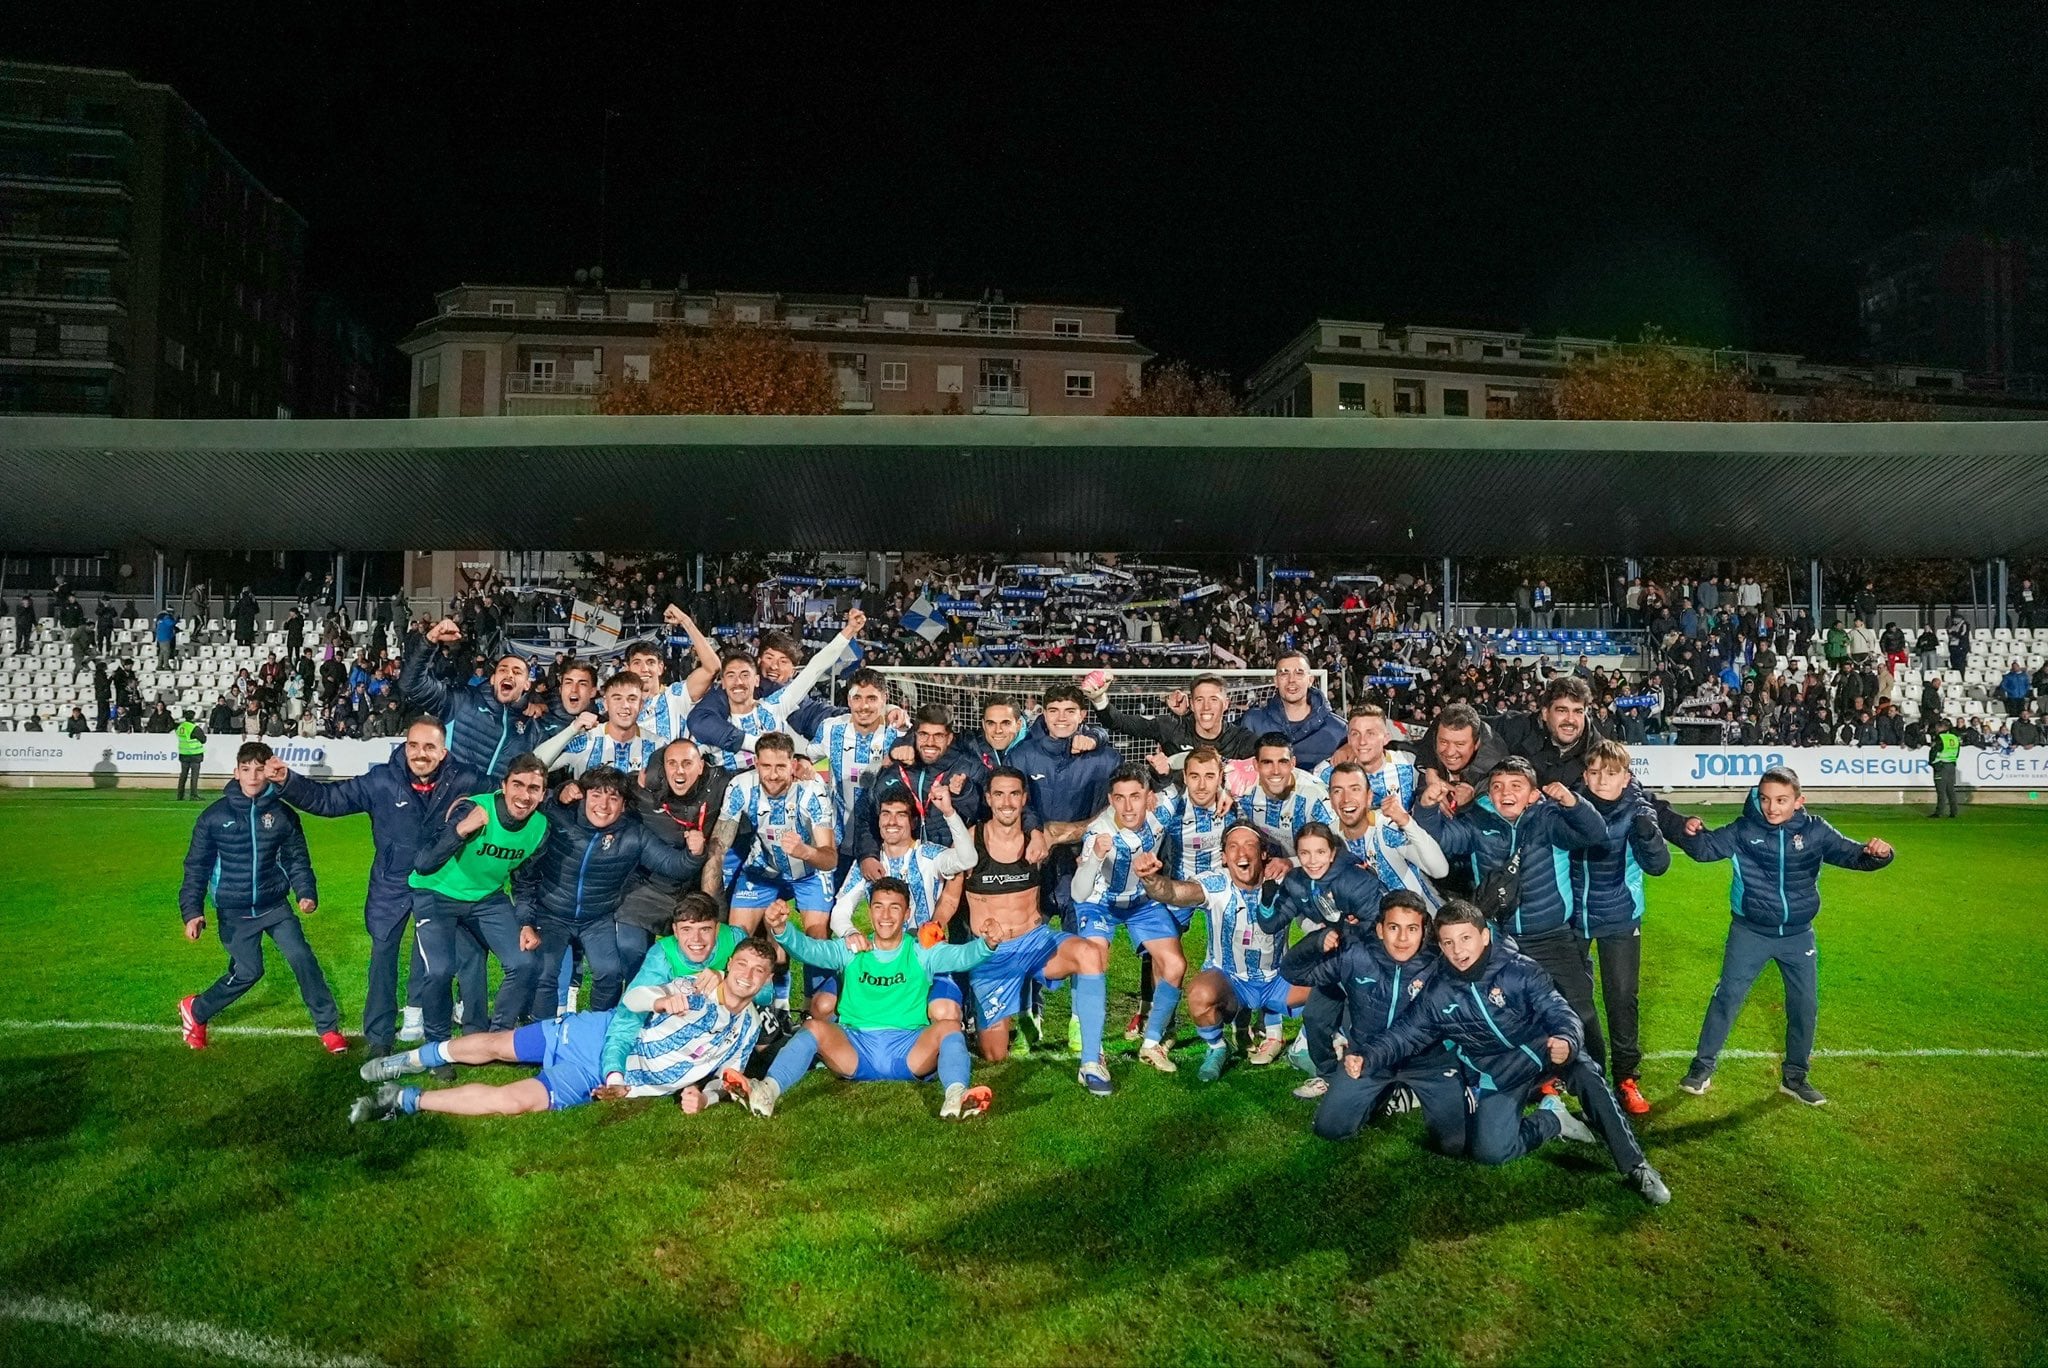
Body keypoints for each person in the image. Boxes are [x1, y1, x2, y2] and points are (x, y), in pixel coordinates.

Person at [1346, 901, 1670, 1205]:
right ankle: (1552, 1120)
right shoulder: (1437, 992)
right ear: (1440, 946)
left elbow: (1560, 1012)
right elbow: (1406, 1033)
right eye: (1448, 942)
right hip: (1503, 1072)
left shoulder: (1519, 970)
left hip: (1544, 1050)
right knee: (1491, 1151)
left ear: (1484, 936)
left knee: (1587, 1075)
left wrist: (1567, 1041)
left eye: (1465, 938)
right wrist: (1368, 1057)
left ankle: (1636, 1166)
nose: (1458, 950)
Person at [1659, 765, 1894, 1105]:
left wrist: (1880, 854)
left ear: (1799, 801)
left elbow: (1855, 856)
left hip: (1798, 937)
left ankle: (1795, 1078)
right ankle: (1701, 1069)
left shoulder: (1816, 831)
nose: (1772, 807)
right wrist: (1688, 832)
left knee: (1804, 1005)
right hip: (1749, 932)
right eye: (1766, 799)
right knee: (1727, 998)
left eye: (1782, 800)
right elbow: (1705, 850)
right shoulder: (1743, 830)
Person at [352, 934, 773, 1121]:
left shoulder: (748, 1026)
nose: (748, 975)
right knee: (501, 1044)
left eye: (759, 970)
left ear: (766, 980)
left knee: (514, 1103)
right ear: (729, 964)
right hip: (597, 1036)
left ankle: (404, 1101)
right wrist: (662, 1000)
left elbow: (727, 1078)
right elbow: (635, 1000)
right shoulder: (697, 985)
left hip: (603, 1079)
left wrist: (706, 1098)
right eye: (742, 964)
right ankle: (409, 1059)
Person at [269, 717, 485, 1060]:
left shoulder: (468, 779)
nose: (420, 754)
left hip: (442, 884)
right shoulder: (382, 780)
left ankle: (439, 1030)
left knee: (446, 958)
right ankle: (379, 1035)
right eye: (414, 745)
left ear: (443, 751)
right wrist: (288, 782)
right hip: (391, 884)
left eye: (429, 747)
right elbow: (329, 800)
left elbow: (510, 798)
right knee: (383, 959)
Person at [744, 881, 1002, 1121]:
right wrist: (781, 929)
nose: (886, 916)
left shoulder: (921, 951)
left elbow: (961, 957)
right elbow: (810, 950)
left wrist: (987, 944)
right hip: (855, 1048)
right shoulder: (852, 949)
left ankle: (956, 1096)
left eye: (894, 908)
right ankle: (767, 1091)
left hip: (910, 1048)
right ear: (869, 912)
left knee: (949, 1026)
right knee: (813, 1027)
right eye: (878, 907)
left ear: (907, 912)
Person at [1415, 755, 1610, 1068]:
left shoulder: (1549, 818)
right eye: (1497, 786)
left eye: (1516, 786)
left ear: (1533, 794)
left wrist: (1573, 803)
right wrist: (1426, 807)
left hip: (1551, 936)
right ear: (1489, 794)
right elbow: (1441, 840)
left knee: (1579, 1009)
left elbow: (1595, 834)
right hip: (1500, 939)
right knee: (1511, 1011)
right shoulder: (1477, 820)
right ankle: (1537, 1081)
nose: (1506, 792)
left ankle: (1594, 1076)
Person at [177, 742, 345, 1055]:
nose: (253, 777)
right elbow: (196, 867)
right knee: (248, 972)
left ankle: (329, 1028)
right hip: (234, 911)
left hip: (274, 906)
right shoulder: (213, 817)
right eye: (246, 769)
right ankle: (196, 1010)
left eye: (259, 769)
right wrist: (192, 911)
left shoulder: (283, 814)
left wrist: (306, 893)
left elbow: (296, 858)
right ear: (236, 772)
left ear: (269, 772)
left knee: (302, 958)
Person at [959, 766, 1114, 1095]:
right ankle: (975, 1021)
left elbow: (1082, 829)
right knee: (994, 1054)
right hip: (993, 956)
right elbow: (949, 895)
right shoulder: (969, 840)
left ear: (1024, 798)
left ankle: (1090, 1062)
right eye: (998, 794)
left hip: (1035, 943)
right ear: (988, 798)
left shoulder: (1041, 836)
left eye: (1014, 794)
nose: (1006, 802)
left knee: (1089, 953)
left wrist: (1115, 809)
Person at [515, 765, 706, 1022]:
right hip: (552, 914)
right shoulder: (558, 818)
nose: (603, 805)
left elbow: (673, 866)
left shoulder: (633, 835)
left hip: (598, 918)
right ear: (582, 796)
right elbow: (534, 799)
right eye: (596, 795)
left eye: (613, 798)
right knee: (546, 971)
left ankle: (597, 1026)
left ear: (624, 805)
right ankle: (539, 1030)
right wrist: (560, 791)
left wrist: (694, 854)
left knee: (610, 972)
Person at [1285, 891, 1465, 1146]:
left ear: (1424, 930)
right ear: (1380, 929)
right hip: (1366, 1058)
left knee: (1453, 1144)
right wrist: (1316, 942)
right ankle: (1384, 1093)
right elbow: (1293, 972)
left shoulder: (1440, 966)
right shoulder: (1356, 955)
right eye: (1394, 927)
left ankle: (1446, 1091)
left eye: (1412, 928)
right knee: (1330, 1129)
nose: (1403, 938)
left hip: (1427, 1063)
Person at [1137, 822, 1310, 1081]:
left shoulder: (1283, 881)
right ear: (1224, 857)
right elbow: (1172, 892)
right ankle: (1217, 1047)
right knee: (1200, 994)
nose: (1242, 853)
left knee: (1332, 981)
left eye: (1249, 845)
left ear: (1263, 853)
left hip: (1278, 980)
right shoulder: (1216, 883)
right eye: (1233, 847)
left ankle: (1304, 1046)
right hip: (1232, 982)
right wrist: (1151, 879)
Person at [407, 753, 552, 1052]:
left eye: (534, 788)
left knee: (524, 962)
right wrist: (462, 829)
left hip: (486, 898)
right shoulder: (472, 808)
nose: (524, 796)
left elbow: (525, 881)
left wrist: (525, 922)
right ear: (504, 785)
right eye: (518, 785)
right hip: (436, 893)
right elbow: (423, 863)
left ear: (543, 793)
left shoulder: (539, 828)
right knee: (440, 970)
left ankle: (494, 1038)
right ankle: (437, 1045)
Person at [701, 731, 837, 1009]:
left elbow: (830, 858)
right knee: (737, 937)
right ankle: (748, 1008)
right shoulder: (741, 786)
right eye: (766, 766)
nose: (773, 775)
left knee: (817, 938)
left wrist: (805, 851)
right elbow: (718, 848)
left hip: (808, 872)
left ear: (794, 765)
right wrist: (709, 905)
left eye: (780, 767)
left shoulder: (812, 791)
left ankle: (818, 1013)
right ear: (756, 764)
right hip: (762, 870)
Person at [1569, 740, 1669, 1115]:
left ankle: (1626, 1078)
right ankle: (1574, 1070)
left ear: (1626, 777)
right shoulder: (1570, 804)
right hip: (1573, 917)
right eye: (1594, 772)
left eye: (1610, 773)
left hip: (1620, 917)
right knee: (1572, 998)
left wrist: (1648, 834)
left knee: (1621, 999)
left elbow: (1658, 866)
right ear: (1585, 774)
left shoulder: (1637, 812)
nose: (1601, 780)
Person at [1070, 763, 1187, 1072]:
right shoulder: (1099, 833)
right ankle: (1093, 1053)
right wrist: (1094, 856)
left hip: (1141, 903)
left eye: (1135, 796)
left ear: (1149, 796)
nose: (1128, 805)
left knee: (1175, 965)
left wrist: (1168, 767)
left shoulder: (1160, 813)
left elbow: (1189, 770)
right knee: (1093, 962)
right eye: (1119, 798)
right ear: (1110, 800)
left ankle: (1151, 1044)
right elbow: (1079, 893)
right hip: (1099, 904)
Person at [1265, 819, 1394, 1092]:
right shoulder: (1298, 881)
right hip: (1335, 960)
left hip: (1368, 963)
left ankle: (1378, 1085)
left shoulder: (1355, 880)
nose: (1312, 861)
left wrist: (1346, 931)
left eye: (1320, 852)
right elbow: (1271, 923)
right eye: (1305, 853)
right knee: (1314, 1018)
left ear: (1332, 852)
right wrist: (1267, 897)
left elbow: (1382, 928)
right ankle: (1328, 1075)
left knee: (1361, 1025)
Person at [827, 785, 978, 1018]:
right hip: (882, 959)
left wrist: (948, 812)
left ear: (913, 822)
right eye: (886, 814)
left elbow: (968, 858)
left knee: (943, 1011)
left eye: (901, 815)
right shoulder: (868, 863)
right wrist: (850, 934)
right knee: (823, 1004)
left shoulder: (930, 856)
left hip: (924, 953)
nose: (892, 821)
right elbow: (839, 913)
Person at [685, 613, 864, 768]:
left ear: (756, 680)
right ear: (722, 682)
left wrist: (849, 631)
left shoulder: (775, 706)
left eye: (745, 675)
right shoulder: (715, 718)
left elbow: (815, 668)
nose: (738, 682)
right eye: (731, 675)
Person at [617, 738, 726, 965]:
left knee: (706, 953)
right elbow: (600, 787)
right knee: (630, 947)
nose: (679, 771)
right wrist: (566, 790)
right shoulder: (640, 787)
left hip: (694, 890)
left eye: (687, 763)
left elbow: (757, 775)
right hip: (648, 889)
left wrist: (802, 762)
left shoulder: (718, 783)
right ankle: (635, 997)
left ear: (701, 766)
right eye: (672, 763)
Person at [399, 618, 541, 780]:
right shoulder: (461, 699)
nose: (509, 674)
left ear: (527, 685)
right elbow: (411, 685)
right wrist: (430, 640)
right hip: (450, 801)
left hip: (493, 805)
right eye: (503, 670)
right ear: (493, 679)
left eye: (517, 672)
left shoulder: (532, 728)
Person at [1084, 671, 1257, 759]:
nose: (1206, 707)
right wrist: (1099, 699)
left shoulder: (1241, 740)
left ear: (1226, 704)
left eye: (1213, 699)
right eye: (1199, 700)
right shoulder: (1171, 727)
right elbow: (1118, 722)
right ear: (1191, 703)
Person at [530, 671, 657, 778]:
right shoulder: (586, 740)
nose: (625, 706)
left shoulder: (657, 746)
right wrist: (572, 729)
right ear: (606, 704)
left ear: (641, 705)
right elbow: (533, 765)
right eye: (617, 698)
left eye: (632, 699)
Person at [1240, 651, 1348, 770]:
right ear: (1276, 681)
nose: (1291, 680)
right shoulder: (1253, 721)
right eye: (1284, 674)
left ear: (1310, 680)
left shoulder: (1339, 729)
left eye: (1299, 673)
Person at [1233, 733, 1336, 857]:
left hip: (1306, 869)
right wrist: (1222, 793)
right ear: (1256, 765)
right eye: (1267, 762)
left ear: (1293, 763)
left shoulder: (1316, 797)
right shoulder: (1242, 789)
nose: (1275, 771)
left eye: (1283, 762)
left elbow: (1332, 849)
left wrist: (1291, 864)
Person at [1315, 704, 1418, 807]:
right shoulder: (1326, 773)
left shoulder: (1409, 766)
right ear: (1349, 739)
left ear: (1386, 738)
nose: (1362, 741)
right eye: (1355, 734)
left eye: (1370, 733)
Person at [1928, 716, 1962, 818]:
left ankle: (1939, 812)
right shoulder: (1954, 738)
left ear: (1942, 728)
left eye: (1938, 727)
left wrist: (1932, 762)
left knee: (1941, 791)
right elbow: (1957, 752)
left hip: (1941, 766)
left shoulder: (1940, 738)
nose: (1936, 729)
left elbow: (1934, 751)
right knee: (1950, 790)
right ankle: (1954, 811)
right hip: (1951, 765)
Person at [173, 708, 207, 800]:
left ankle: (180, 795)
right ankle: (193, 795)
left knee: (183, 775)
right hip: (195, 754)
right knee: (194, 776)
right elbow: (203, 740)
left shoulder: (180, 727)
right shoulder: (194, 728)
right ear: (193, 717)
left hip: (184, 754)